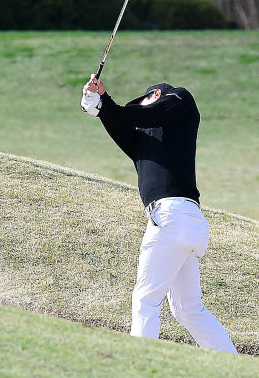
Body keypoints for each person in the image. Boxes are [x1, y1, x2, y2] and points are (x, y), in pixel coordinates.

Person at [81, 76, 237, 353]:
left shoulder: (179, 100)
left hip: (172, 216)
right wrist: (100, 103)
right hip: (184, 222)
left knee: (145, 301)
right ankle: (236, 367)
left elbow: (150, 113)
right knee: (188, 309)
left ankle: (139, 365)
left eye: (141, 102)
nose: (139, 110)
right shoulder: (142, 141)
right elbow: (121, 123)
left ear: (154, 94)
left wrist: (105, 105)